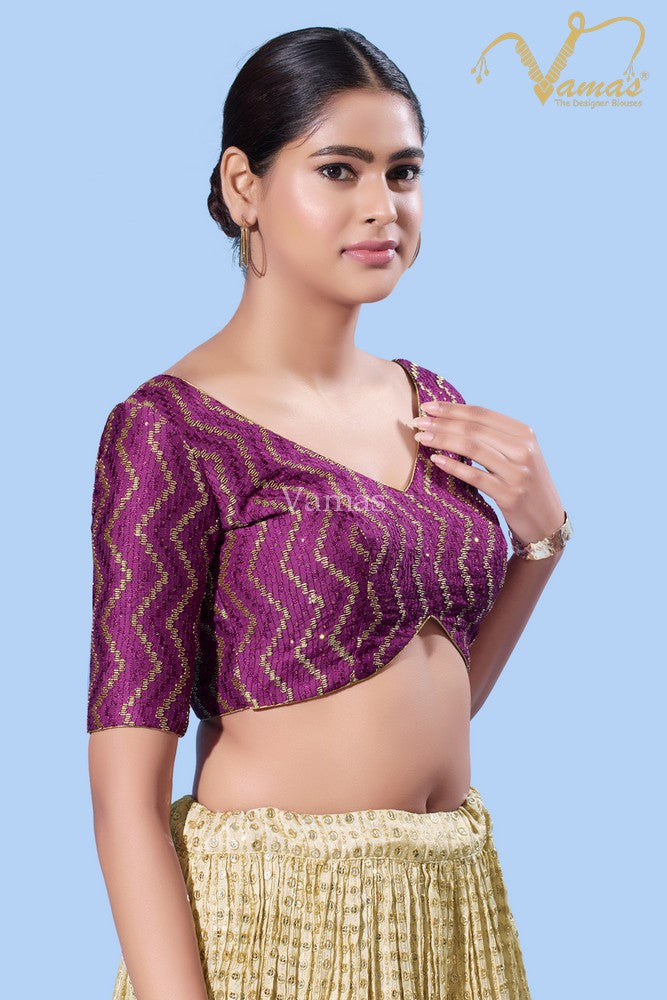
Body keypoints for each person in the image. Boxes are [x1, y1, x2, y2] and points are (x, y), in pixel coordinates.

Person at [86, 25, 572, 1000]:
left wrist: (541, 544)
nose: (381, 206)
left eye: (403, 172)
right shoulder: (170, 430)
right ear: (244, 186)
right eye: (339, 170)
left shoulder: (430, 400)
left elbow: (437, 691)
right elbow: (124, 798)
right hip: (280, 922)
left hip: (449, 908)